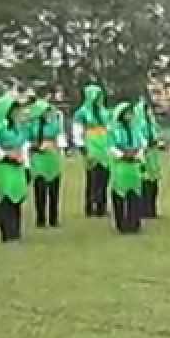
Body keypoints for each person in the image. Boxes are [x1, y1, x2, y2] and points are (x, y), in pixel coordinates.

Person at [0, 94, 30, 243]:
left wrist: (26, 163)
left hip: (17, 167)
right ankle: (8, 233)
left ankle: (15, 231)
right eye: (14, 110)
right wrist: (6, 156)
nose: (18, 113)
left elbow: (23, 145)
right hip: (3, 167)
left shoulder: (19, 127)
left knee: (17, 198)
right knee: (6, 198)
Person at [27, 93, 67, 229]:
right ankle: (41, 218)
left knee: (54, 190)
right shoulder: (31, 125)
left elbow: (60, 139)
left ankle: (54, 218)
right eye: (45, 112)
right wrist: (37, 146)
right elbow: (26, 141)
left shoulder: (54, 124)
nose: (48, 114)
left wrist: (57, 147)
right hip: (38, 159)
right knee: (40, 189)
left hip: (52, 158)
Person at [72, 83, 111, 218]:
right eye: (98, 96)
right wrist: (83, 148)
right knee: (93, 178)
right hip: (91, 146)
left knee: (104, 178)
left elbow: (110, 128)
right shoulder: (82, 112)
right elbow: (77, 132)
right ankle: (90, 206)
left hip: (104, 147)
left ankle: (102, 206)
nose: (100, 99)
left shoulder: (105, 112)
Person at [108, 102, 145, 234]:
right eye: (127, 113)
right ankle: (121, 224)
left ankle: (134, 222)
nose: (130, 116)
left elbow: (142, 144)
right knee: (119, 193)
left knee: (134, 194)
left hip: (134, 165)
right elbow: (111, 146)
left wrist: (137, 154)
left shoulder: (136, 129)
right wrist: (123, 155)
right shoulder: (114, 130)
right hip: (121, 165)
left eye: (131, 113)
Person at [138, 97, 164, 219]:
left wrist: (158, 142)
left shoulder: (152, 122)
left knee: (154, 182)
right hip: (144, 153)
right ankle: (144, 209)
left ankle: (152, 209)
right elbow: (140, 137)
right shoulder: (139, 123)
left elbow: (156, 134)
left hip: (153, 155)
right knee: (145, 182)